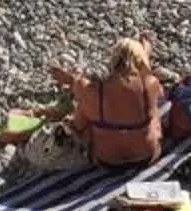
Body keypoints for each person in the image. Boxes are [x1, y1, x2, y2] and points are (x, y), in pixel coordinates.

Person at [54, 36, 166, 168]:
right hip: (146, 157)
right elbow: (161, 94)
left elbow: (77, 126)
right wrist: (144, 55)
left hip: (107, 162)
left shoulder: (93, 91)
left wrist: (75, 82)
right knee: (153, 113)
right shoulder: (149, 84)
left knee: (86, 114)